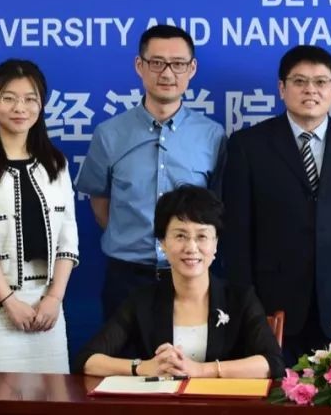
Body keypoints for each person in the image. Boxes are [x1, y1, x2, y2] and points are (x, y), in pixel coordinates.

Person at [221, 45, 331, 365]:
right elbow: (236, 234)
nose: (311, 90)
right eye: (299, 81)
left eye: (321, 82)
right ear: (282, 88)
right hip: (272, 302)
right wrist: (246, 304)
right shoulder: (249, 146)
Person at [76, 24, 226, 322]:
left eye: (178, 64)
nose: (167, 74)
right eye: (157, 63)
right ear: (139, 66)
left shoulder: (212, 135)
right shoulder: (109, 134)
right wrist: (129, 237)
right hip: (127, 277)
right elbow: (100, 200)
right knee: (121, 351)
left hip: (190, 276)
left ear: (192, 68)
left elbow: (216, 206)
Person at [76, 185, 284, 379]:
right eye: (180, 236)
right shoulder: (142, 300)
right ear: (163, 243)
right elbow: (86, 360)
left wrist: (202, 370)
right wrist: (141, 367)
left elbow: (272, 363)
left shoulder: (240, 299)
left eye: (202, 237)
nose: (191, 248)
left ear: (215, 244)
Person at [0, 59, 78, 373]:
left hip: (47, 304)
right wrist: (8, 301)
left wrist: (54, 298)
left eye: (30, 99)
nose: (20, 107)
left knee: (52, 395)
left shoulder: (56, 163)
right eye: (8, 98)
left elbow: (69, 235)